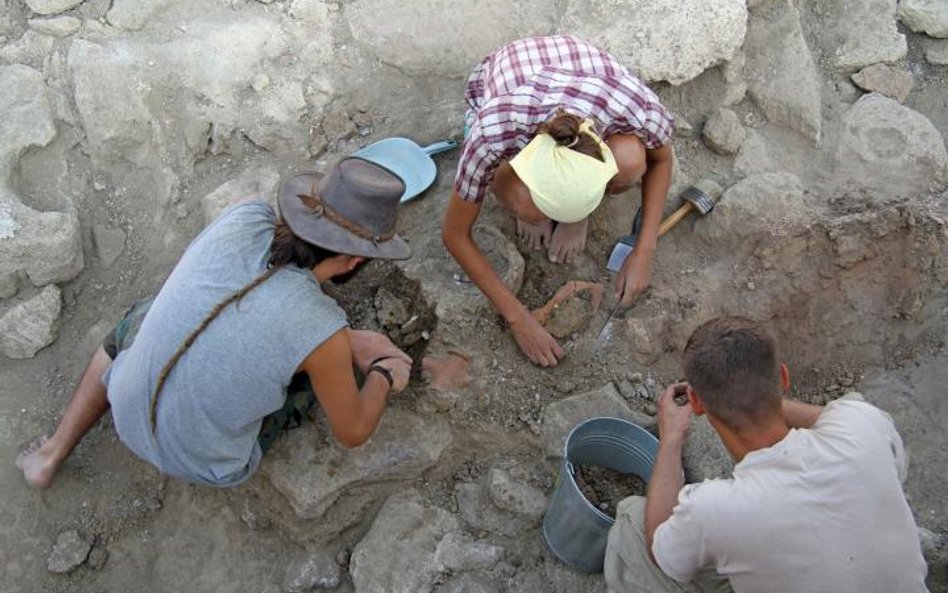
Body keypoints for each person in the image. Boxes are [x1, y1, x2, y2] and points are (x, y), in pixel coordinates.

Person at [16, 157, 415, 489]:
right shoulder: (322, 329)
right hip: (206, 464)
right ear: (355, 259)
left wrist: (334, 338)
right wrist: (381, 371)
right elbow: (354, 432)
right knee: (315, 376)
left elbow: (235, 302)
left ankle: (52, 453)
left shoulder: (244, 215)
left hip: (125, 408)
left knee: (144, 314)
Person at [604, 316, 929, 593]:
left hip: (746, 523)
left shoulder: (716, 509)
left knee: (633, 520)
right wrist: (757, 395)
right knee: (851, 406)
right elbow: (842, 413)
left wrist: (671, 438)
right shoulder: (862, 423)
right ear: (784, 378)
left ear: (698, 404)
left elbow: (659, 551)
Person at [442, 35, 675, 367]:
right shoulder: (494, 131)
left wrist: (644, 250)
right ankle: (527, 206)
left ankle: (574, 215)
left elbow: (661, 160)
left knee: (633, 159)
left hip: (580, 66)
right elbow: (454, 234)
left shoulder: (635, 107)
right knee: (523, 202)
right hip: (514, 71)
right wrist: (518, 318)